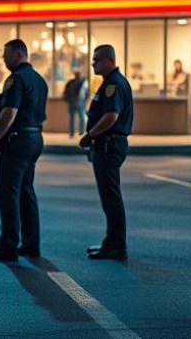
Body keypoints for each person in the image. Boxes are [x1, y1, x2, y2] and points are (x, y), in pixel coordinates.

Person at [0, 39, 48, 262]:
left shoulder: (15, 79)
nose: (3, 59)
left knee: (8, 193)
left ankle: (8, 245)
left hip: (16, 141)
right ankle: (31, 244)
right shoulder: (39, 79)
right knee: (26, 191)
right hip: (34, 138)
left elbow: (9, 112)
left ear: (18, 55)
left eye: (6, 55)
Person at [78, 44, 133, 261]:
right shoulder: (110, 83)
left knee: (111, 198)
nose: (93, 64)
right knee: (109, 197)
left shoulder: (113, 85)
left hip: (109, 146)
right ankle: (112, 242)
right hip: (108, 146)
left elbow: (111, 116)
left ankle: (116, 245)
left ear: (109, 60)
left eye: (97, 60)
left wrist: (90, 135)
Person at [62, 70, 87, 138]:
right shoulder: (82, 82)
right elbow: (86, 93)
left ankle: (75, 132)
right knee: (76, 117)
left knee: (75, 117)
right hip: (77, 101)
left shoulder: (73, 82)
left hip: (76, 101)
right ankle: (77, 132)